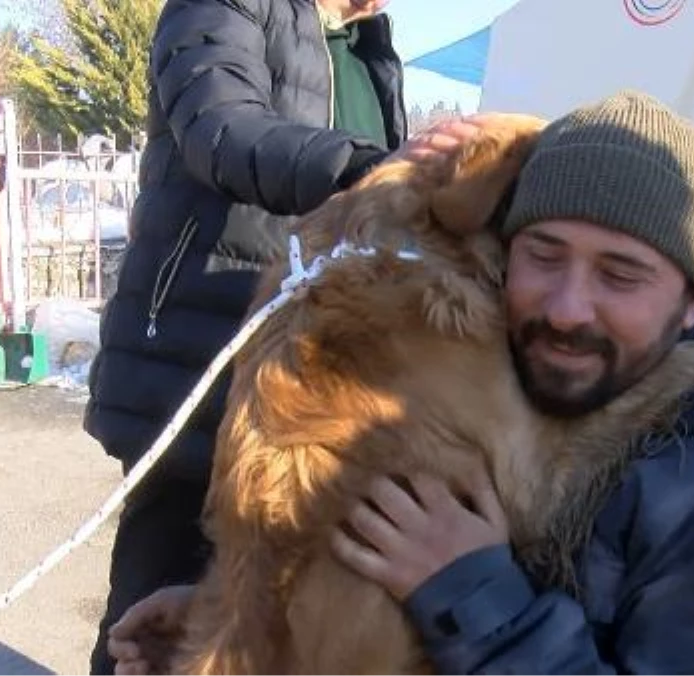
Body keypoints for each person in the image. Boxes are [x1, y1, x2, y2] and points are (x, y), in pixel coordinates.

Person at [107, 91, 694, 674]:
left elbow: (487, 542)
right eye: (538, 255)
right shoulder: (523, 376)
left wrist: (474, 593)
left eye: (621, 275)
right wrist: (232, 617)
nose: (568, 308)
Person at [79, 0, 448, 673]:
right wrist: (373, 173)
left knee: (267, 621)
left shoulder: (370, 47)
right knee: (154, 628)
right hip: (197, 358)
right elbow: (222, 127)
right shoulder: (222, 7)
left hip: (307, 380)